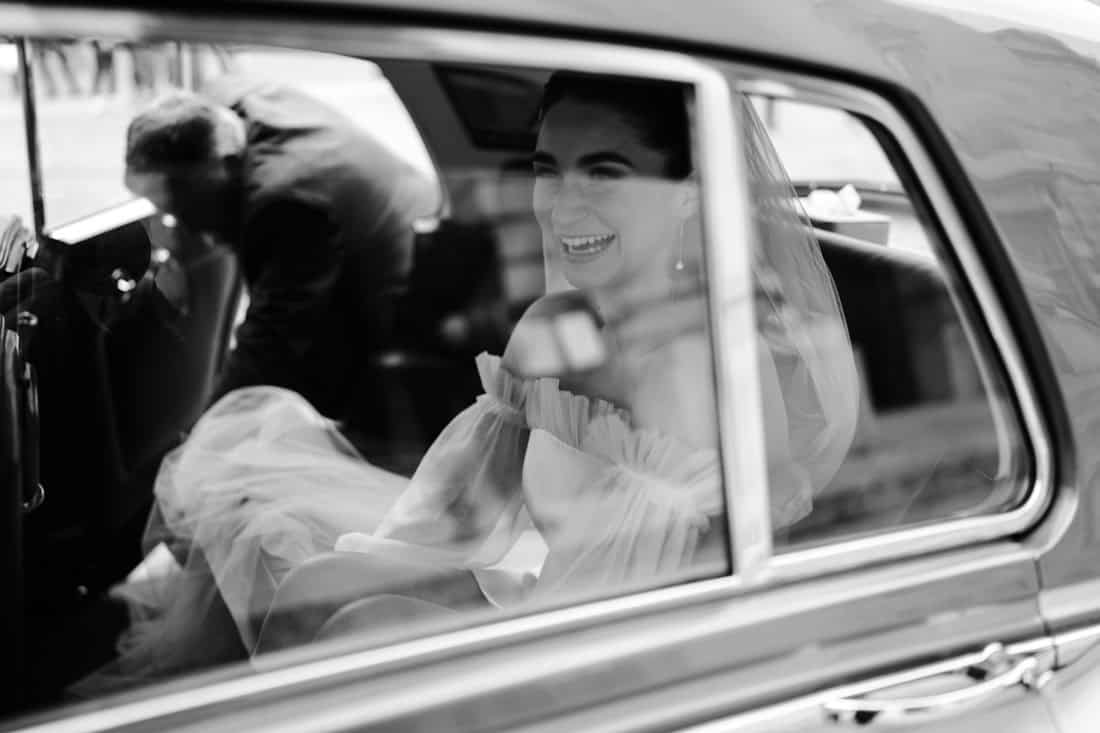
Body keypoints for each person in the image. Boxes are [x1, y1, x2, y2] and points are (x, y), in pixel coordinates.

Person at [77, 70, 857, 690]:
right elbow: (455, 517)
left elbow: (667, 634)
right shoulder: (554, 326)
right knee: (312, 582)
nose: (562, 202)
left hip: (630, 672)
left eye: (606, 171)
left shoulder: (720, 368)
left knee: (346, 626)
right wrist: (344, 573)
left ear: (689, 192)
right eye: (549, 169)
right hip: (536, 610)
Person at [122, 76, 436, 433]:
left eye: (185, 201)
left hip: (399, 293)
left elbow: (271, 342)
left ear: (222, 166)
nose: (183, 224)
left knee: (305, 397)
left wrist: (204, 432)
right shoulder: (236, 107)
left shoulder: (286, 202)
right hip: (386, 219)